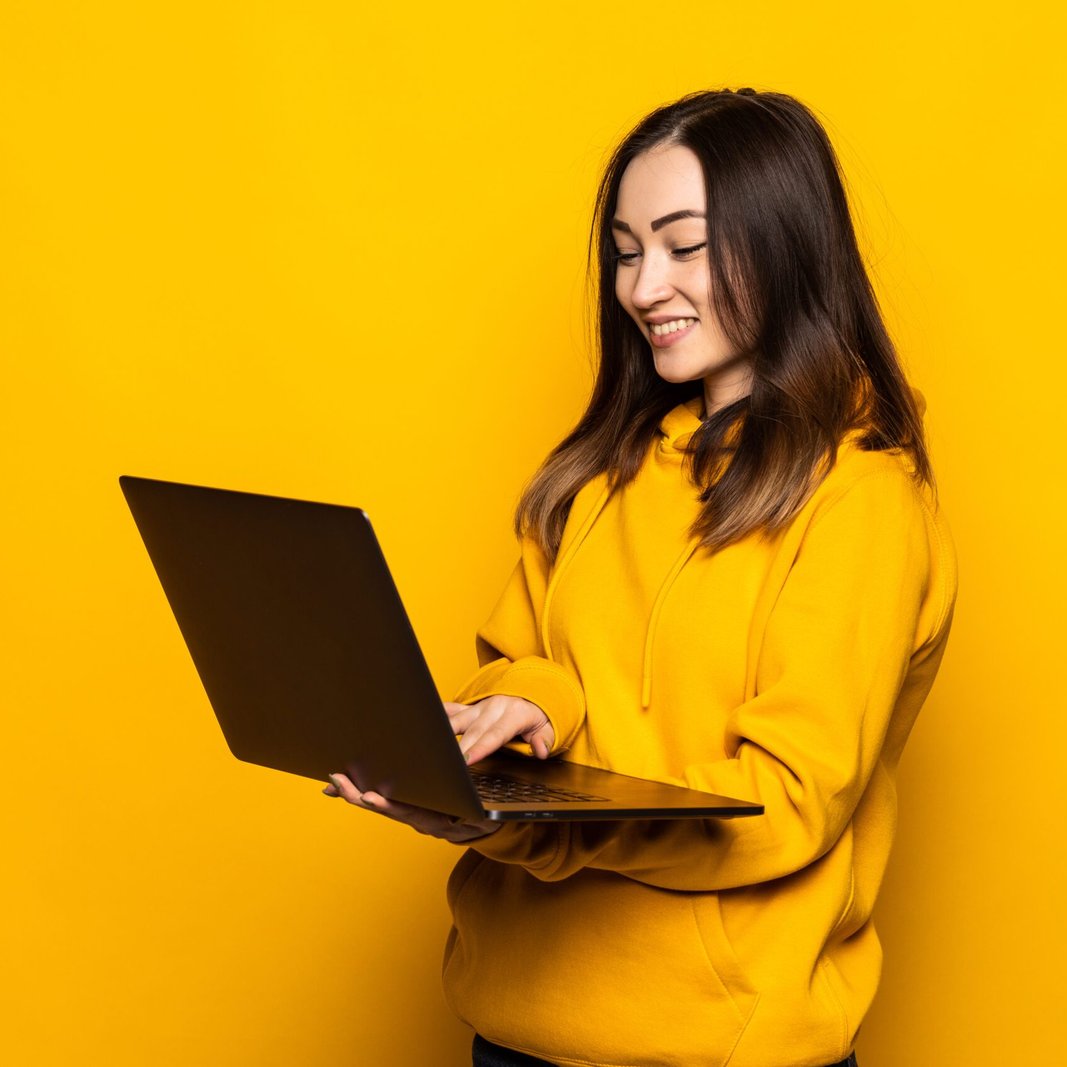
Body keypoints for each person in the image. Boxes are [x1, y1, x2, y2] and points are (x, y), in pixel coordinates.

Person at [324, 87, 958, 1067]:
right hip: (513, 1026)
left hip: (720, 1050)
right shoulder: (601, 473)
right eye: (625, 251)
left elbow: (785, 802)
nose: (641, 285)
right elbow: (520, 658)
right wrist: (521, 718)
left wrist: (536, 825)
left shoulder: (860, 501)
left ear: (783, 244)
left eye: (680, 244)